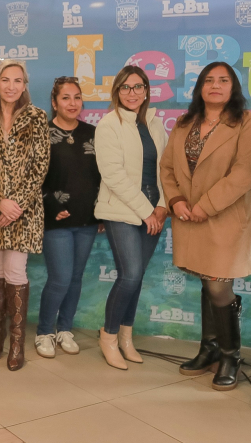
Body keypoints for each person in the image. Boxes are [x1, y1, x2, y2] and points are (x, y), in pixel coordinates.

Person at [160, 62, 251, 391]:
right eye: (208, 80)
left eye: (223, 80)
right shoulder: (184, 123)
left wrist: (206, 206)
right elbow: (167, 167)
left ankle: (231, 355)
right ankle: (210, 349)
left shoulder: (247, 123)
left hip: (225, 218)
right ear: (200, 87)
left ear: (234, 87)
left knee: (218, 285)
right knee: (207, 281)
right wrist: (175, 200)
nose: (215, 85)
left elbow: (244, 173)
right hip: (188, 216)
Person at [0, 59, 49, 371]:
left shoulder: (37, 117)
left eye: (18, 80)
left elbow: (40, 166)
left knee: (15, 271)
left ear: (25, 85)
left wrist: (15, 205)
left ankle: (17, 343)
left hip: (25, 212)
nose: (11, 86)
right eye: (5, 79)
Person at [95, 65, 167, 370]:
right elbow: (113, 175)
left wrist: (162, 206)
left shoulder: (155, 124)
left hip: (154, 209)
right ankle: (108, 336)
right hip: (122, 210)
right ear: (117, 92)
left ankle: (126, 337)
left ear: (147, 91)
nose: (132, 93)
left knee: (137, 278)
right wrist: (147, 211)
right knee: (130, 275)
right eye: (125, 87)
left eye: (138, 86)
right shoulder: (108, 125)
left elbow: (166, 170)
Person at [35, 76, 101, 358]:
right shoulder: (42, 134)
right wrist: (52, 206)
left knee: (75, 278)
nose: (72, 103)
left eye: (77, 97)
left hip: (88, 219)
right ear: (54, 102)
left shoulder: (94, 133)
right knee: (60, 278)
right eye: (65, 98)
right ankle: (44, 332)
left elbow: (103, 176)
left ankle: (65, 329)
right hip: (56, 220)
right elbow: (33, 178)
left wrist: (102, 213)